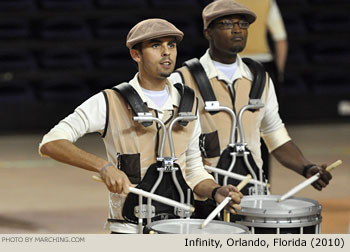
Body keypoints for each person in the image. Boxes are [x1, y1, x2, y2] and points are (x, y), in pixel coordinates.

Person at [38, 18, 243, 234]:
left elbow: (193, 170)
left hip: (179, 227)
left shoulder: (189, 104)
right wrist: (104, 167)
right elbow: (50, 143)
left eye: (171, 45)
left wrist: (215, 190)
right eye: (156, 45)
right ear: (136, 55)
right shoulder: (110, 101)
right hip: (129, 229)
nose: (166, 52)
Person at [170, 0, 332, 199]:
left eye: (243, 24)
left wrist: (307, 168)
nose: (237, 29)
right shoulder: (182, 80)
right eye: (227, 24)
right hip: (204, 197)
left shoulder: (261, 79)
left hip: (252, 194)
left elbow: (274, 134)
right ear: (208, 32)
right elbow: (170, 141)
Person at [238, 0, 289, 180]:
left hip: (235, 65)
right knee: (264, 128)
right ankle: (263, 182)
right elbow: (280, 39)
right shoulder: (266, 2)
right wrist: (279, 73)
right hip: (264, 66)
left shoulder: (224, 2)